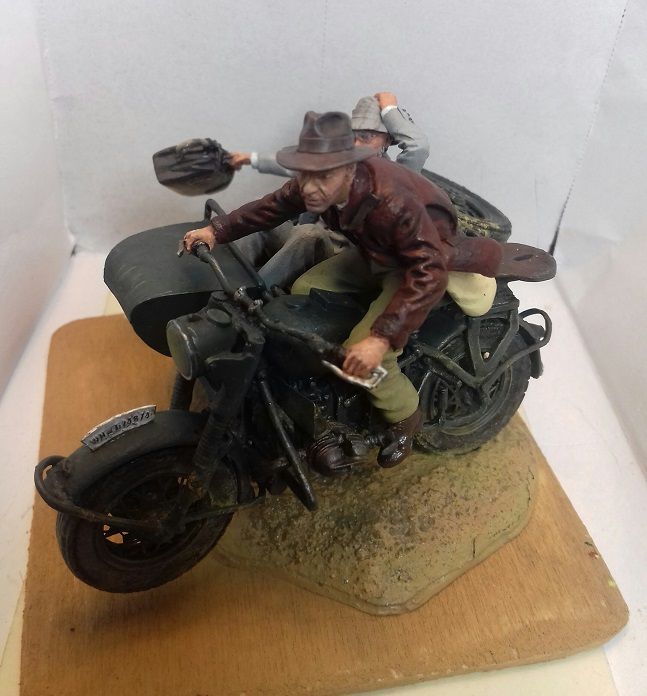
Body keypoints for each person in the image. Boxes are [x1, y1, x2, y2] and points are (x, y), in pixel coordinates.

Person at [182, 111, 501, 467]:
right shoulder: (316, 184)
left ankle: (404, 419)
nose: (309, 188)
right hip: (376, 254)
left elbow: (430, 271)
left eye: (323, 176)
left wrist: (378, 339)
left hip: (415, 268)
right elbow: (273, 207)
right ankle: (321, 373)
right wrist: (217, 230)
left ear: (349, 169)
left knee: (365, 352)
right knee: (305, 286)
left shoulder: (392, 202)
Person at [228, 93, 429, 289]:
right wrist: (252, 159)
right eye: (354, 135)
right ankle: (226, 279)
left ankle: (251, 294)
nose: (357, 144)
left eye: (367, 136)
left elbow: (418, 148)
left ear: (387, 141)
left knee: (309, 235)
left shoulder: (392, 179)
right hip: (300, 236)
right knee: (262, 219)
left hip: (335, 254)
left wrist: (389, 110)